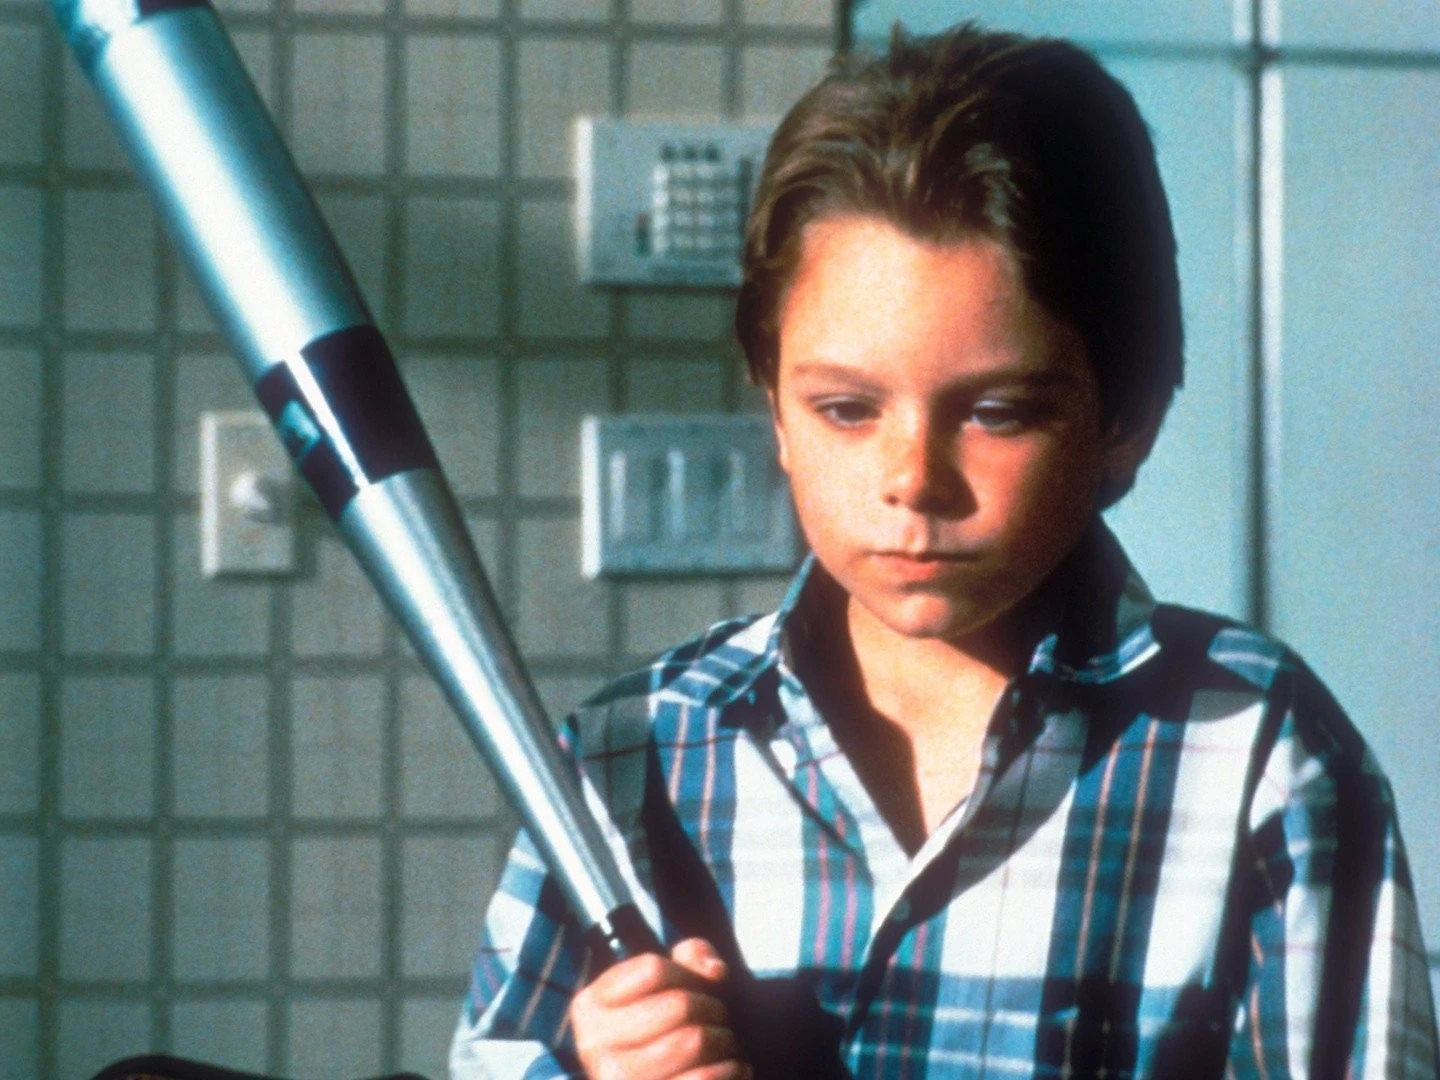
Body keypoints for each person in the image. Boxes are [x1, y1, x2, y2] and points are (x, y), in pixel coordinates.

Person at [450, 23, 1438, 1080]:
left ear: (1125, 423)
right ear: (774, 409)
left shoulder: (1257, 754)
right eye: (845, 409)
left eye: (996, 412)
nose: (912, 478)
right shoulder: (628, 759)